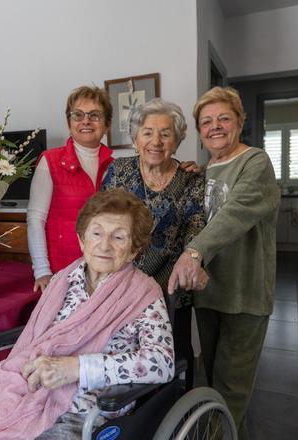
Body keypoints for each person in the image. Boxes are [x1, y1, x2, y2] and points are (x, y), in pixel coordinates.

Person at [0, 189, 175, 439]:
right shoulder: (62, 281)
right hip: (26, 393)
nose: (104, 245)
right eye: (96, 233)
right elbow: (31, 343)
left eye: (119, 237)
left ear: (134, 250)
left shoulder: (144, 293)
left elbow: (161, 363)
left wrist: (78, 368)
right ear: (81, 240)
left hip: (85, 412)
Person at [168, 87, 280, 440]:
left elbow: (233, 213)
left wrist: (193, 252)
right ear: (200, 131)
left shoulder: (255, 162)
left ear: (240, 122)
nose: (215, 127)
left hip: (244, 295)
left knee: (231, 390)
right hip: (210, 291)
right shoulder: (207, 169)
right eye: (207, 122)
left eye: (223, 119)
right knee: (216, 385)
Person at [101, 98, 205, 389]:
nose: (156, 141)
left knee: (172, 363)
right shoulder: (118, 172)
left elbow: (197, 229)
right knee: (121, 362)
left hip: (169, 292)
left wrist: (193, 259)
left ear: (177, 139)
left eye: (165, 133)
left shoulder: (191, 180)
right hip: (119, 288)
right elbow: (100, 220)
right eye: (147, 132)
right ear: (135, 138)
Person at [27, 86, 114, 293]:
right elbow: (35, 219)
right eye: (78, 115)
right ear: (69, 123)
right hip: (61, 272)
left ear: (107, 124)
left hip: (103, 270)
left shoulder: (115, 166)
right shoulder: (50, 161)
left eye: (94, 115)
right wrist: (41, 270)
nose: (86, 121)